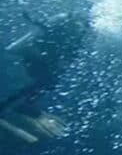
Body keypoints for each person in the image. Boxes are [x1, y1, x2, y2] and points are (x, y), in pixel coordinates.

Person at [1, 11, 90, 144]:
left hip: (36, 58)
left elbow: (69, 55)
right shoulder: (63, 22)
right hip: (30, 55)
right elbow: (42, 31)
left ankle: (20, 107)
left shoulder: (75, 34)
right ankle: (19, 108)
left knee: (48, 81)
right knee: (45, 80)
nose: (80, 28)